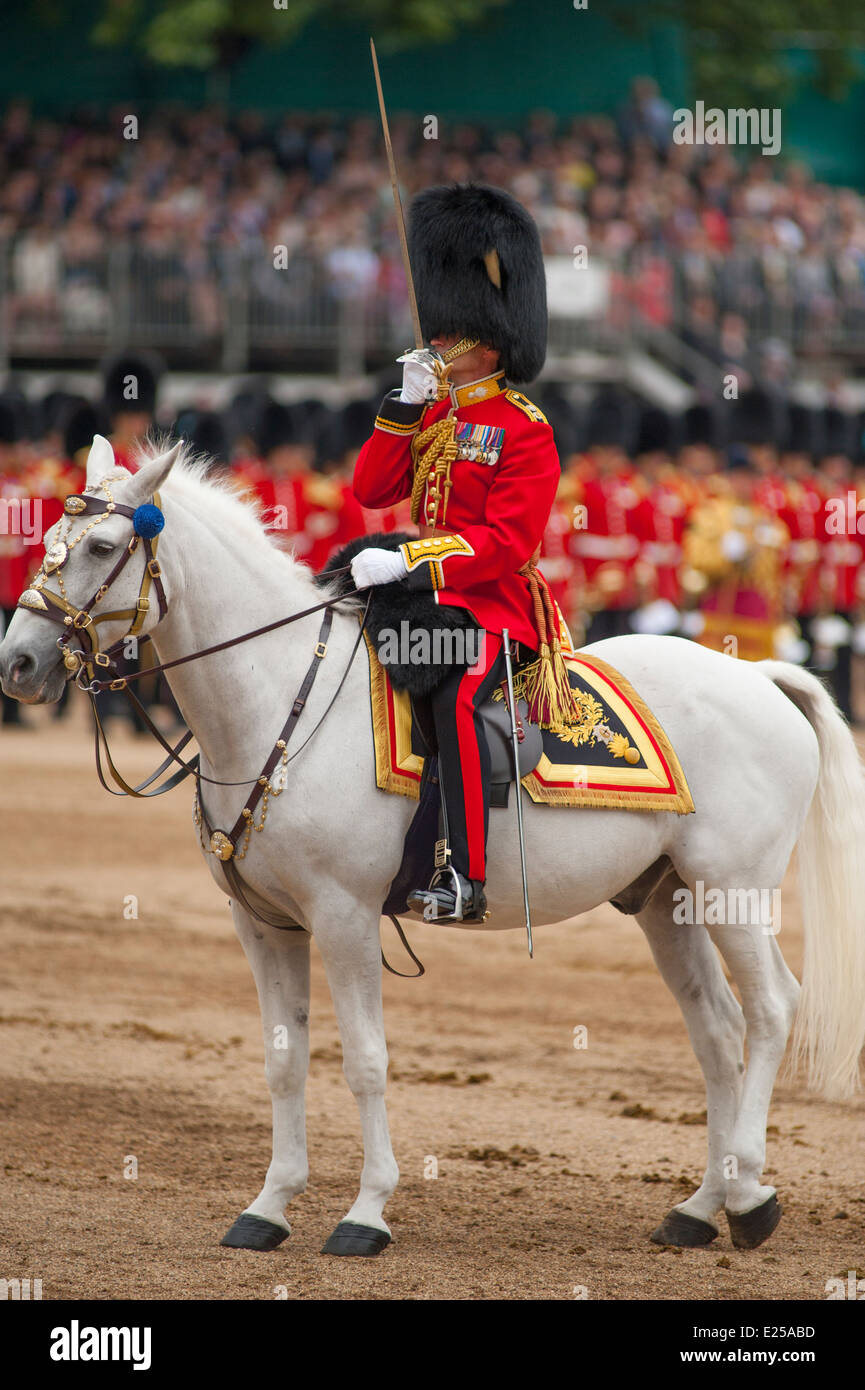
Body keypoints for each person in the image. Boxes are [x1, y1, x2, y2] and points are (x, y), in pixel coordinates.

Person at [350, 183, 564, 923]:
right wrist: (403, 407)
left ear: (490, 340)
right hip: (426, 599)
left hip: (493, 607)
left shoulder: (525, 429)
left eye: (450, 334)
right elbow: (371, 490)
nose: (437, 341)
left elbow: (507, 546)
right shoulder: (435, 412)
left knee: (456, 693)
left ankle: (462, 877)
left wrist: (413, 561)